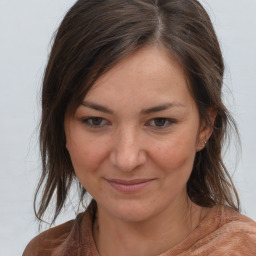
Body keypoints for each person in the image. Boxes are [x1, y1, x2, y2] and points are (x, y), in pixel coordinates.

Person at [23, 0, 256, 255]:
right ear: (61, 127)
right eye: (95, 121)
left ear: (205, 126)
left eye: (160, 122)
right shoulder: (43, 251)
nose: (126, 159)